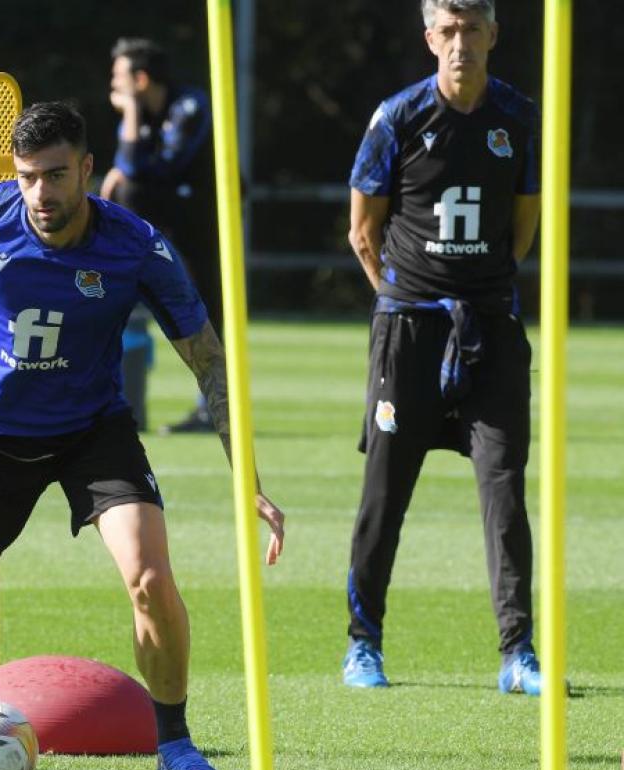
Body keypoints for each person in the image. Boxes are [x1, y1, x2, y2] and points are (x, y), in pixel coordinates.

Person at [0, 101, 286, 770]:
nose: (39, 194)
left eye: (54, 175)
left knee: (150, 579)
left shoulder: (134, 243)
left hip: (90, 432)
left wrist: (245, 477)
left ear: (87, 169)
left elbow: (207, 359)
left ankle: (176, 745)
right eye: (26, 177)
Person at [342, 0, 543, 694]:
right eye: (447, 31)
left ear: (493, 34)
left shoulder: (518, 117)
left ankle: (519, 653)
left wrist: (481, 285)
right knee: (385, 492)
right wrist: (399, 299)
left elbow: (523, 226)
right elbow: (362, 230)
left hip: (490, 329)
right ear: (431, 38)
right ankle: (362, 645)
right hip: (409, 332)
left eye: (472, 29)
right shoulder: (396, 117)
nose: (460, 43)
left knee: (505, 488)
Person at [101, 37, 220, 435]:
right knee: (125, 187)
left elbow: (162, 167)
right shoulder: (143, 113)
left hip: (205, 217)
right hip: (171, 215)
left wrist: (131, 115)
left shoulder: (190, 107)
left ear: (142, 78)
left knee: (210, 315)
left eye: (119, 77)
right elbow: (129, 164)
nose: (113, 86)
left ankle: (212, 410)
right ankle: (132, 264)